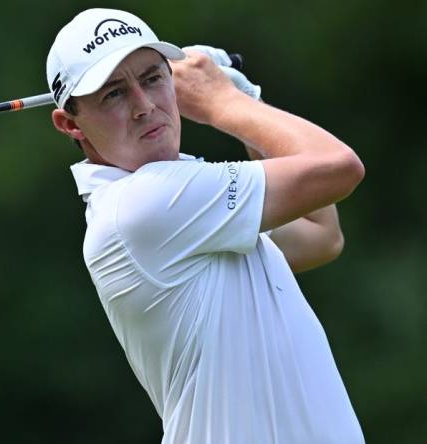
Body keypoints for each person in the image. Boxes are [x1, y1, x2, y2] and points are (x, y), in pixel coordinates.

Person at [47, 8, 365, 444]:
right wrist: (224, 102)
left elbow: (320, 234)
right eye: (114, 94)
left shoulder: (194, 211)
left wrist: (245, 102)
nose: (145, 106)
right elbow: (339, 169)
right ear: (69, 123)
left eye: (153, 78)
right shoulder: (142, 205)